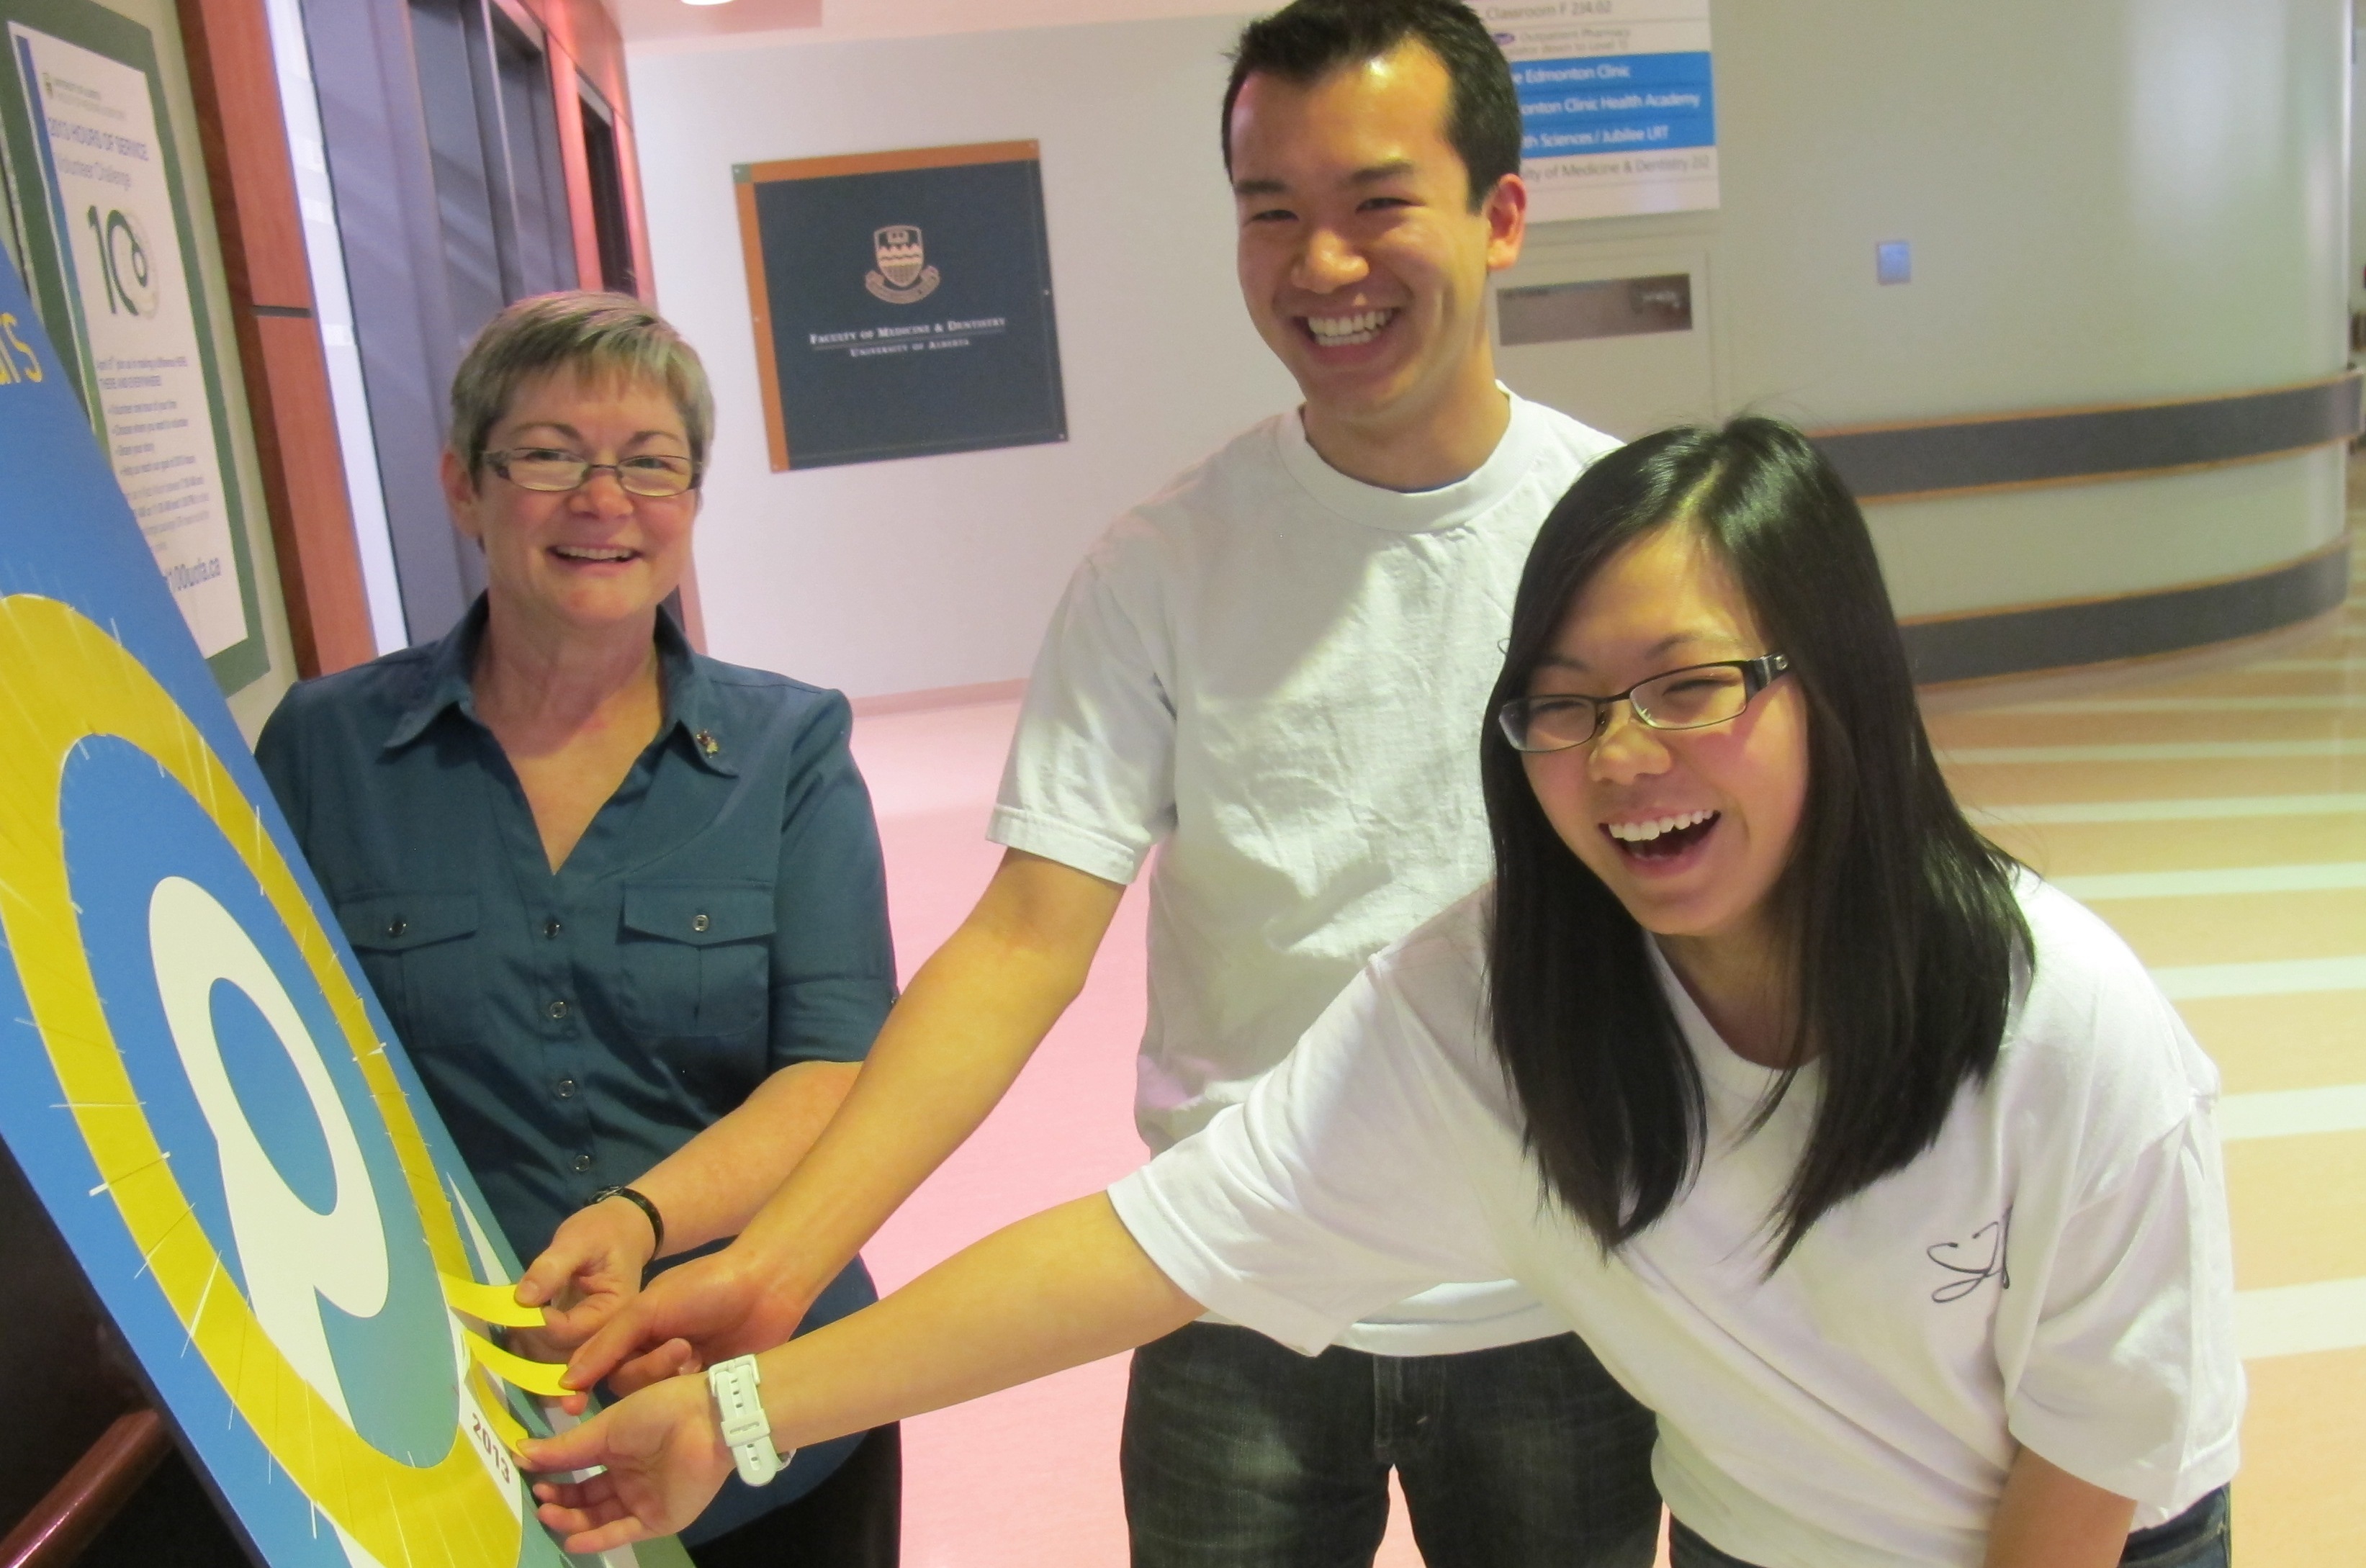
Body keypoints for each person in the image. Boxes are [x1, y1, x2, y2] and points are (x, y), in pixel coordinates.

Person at [522, 416, 2243, 1568]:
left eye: (1689, 686)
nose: (1623, 758)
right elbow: (1143, 1249)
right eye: (1563, 705)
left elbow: (2082, 1467)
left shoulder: (2058, 1027)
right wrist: (740, 1411)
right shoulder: (1494, 1000)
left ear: (1835, 685)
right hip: (1756, 1538)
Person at [551, 4, 1662, 1564]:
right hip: (1222, 1288)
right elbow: (1021, 941)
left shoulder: (1625, 544)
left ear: (1502, 216)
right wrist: (783, 1262)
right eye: (1269, 212)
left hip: (1562, 1300)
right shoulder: (1164, 568)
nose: (1320, 265)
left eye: (1376, 204)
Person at [255, 292, 900, 1565]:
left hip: (749, 1396)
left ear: (692, 498)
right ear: (463, 483)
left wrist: (648, 1223)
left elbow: (837, 1068)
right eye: (549, 454)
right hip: (447, 1418)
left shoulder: (788, 747)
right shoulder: (323, 748)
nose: (603, 500)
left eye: (650, 462)